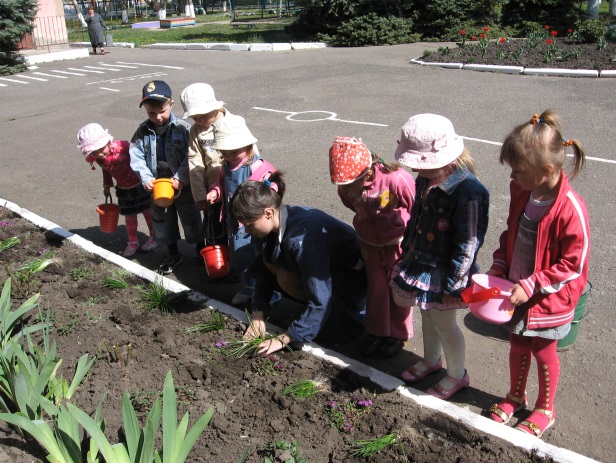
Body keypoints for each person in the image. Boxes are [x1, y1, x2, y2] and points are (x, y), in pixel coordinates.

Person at [486, 110, 590, 438]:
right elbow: (511, 234)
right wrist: (500, 265)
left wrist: (532, 284)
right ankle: (516, 395)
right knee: (517, 344)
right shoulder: (523, 191)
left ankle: (546, 408)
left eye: (517, 171)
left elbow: (571, 265)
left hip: (550, 298)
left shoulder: (570, 209)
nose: (512, 178)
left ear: (544, 171)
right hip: (518, 290)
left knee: (543, 352)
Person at [390, 113, 490, 400]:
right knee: (426, 314)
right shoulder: (427, 179)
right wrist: (407, 247)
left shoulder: (469, 192)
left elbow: (468, 243)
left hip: (446, 272)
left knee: (445, 324)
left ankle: (457, 375)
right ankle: (431, 360)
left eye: (421, 164)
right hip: (421, 262)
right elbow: (416, 218)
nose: (416, 170)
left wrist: (455, 285)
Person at [231, 172, 367, 355]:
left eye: (249, 225)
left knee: (287, 279)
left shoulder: (302, 239)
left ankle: (341, 327)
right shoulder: (273, 225)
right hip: (331, 271)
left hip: (354, 281)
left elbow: (321, 297)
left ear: (268, 212)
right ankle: (313, 320)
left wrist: (288, 337)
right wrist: (258, 315)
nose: (247, 230)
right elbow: (264, 267)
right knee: (272, 265)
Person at [329, 136, 416, 358]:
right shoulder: (346, 188)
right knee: (376, 289)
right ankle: (377, 332)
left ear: (367, 173)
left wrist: (410, 241)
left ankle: (398, 334)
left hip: (397, 244)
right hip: (369, 244)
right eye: (343, 186)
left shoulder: (396, 179)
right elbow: (351, 205)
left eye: (350, 185)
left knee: (398, 289)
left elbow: (415, 208)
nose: (346, 189)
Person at [129, 80, 205, 274]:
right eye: (151, 113)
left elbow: (192, 156)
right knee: (163, 221)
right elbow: (136, 156)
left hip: (182, 186)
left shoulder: (183, 129)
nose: (158, 117)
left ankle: (200, 249)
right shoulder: (142, 131)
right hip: (158, 185)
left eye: (162, 111)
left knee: (191, 218)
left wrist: (181, 177)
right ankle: (173, 253)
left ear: (171, 104)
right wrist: (146, 178)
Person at [205, 116, 279, 304]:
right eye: (225, 152)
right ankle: (250, 287)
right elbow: (221, 184)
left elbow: (272, 186)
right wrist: (216, 191)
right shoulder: (226, 166)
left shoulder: (257, 166)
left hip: (253, 221)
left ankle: (269, 291)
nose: (229, 156)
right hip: (235, 221)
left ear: (247, 146)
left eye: (234, 152)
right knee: (241, 256)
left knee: (258, 256)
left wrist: (268, 191)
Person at [77, 123, 157, 257]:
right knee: (129, 217)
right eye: (94, 152)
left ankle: (154, 237)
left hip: (140, 185)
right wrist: (107, 186)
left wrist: (150, 176)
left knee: (148, 213)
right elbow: (106, 171)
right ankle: (133, 241)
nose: (99, 154)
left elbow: (141, 158)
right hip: (124, 189)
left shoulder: (124, 147)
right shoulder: (99, 159)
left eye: (101, 149)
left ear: (108, 141)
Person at [180, 83, 234, 266]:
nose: (200, 120)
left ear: (215, 106)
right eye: (195, 117)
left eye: (203, 115)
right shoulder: (196, 131)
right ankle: (218, 264)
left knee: (236, 229)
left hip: (234, 190)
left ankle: (237, 264)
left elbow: (251, 154)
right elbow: (195, 162)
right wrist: (199, 194)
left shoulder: (233, 123)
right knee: (214, 229)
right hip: (212, 194)